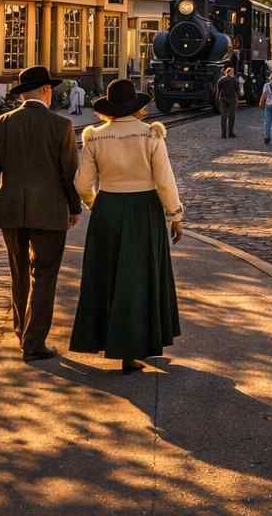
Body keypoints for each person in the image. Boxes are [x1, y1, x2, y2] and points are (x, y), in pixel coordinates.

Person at [70, 78, 183, 374]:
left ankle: (104, 338)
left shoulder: (94, 137)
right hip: (144, 209)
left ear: (108, 109)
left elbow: (82, 183)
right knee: (139, 278)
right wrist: (175, 215)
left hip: (108, 206)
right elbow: (164, 180)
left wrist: (95, 203)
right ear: (137, 107)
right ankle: (135, 347)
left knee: (105, 276)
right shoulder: (151, 135)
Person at [0, 65, 81, 363]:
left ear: (24, 94)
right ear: (46, 91)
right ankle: (34, 343)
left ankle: (22, 330)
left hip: (10, 210)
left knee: (19, 272)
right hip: (49, 211)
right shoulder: (61, 126)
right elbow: (68, 174)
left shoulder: (0, 124)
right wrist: (74, 208)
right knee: (44, 275)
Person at [215, 66, 239, 138]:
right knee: (231, 117)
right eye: (232, 72)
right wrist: (237, 99)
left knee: (223, 117)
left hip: (223, 99)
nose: (233, 73)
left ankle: (223, 134)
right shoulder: (234, 80)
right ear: (230, 72)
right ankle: (230, 133)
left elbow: (218, 91)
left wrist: (218, 99)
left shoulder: (221, 80)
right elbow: (237, 91)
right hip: (232, 99)